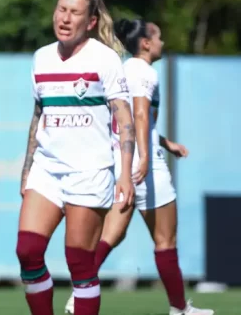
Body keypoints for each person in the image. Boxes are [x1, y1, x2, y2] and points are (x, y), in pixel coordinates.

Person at [63, 19, 212, 315]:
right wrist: (146, 156)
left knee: (111, 235)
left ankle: (80, 292)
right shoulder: (144, 72)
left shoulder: (123, 68)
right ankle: (180, 309)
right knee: (165, 240)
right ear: (145, 43)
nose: (162, 43)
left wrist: (167, 143)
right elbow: (141, 115)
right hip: (145, 166)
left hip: (120, 162)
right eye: (158, 37)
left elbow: (128, 119)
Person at [15, 0, 136, 315]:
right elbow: (38, 114)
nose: (65, 18)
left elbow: (124, 118)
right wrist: (27, 169)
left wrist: (124, 174)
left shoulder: (104, 58)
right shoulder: (41, 57)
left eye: (75, 13)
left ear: (91, 21)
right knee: (27, 251)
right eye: (61, 10)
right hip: (47, 169)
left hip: (90, 171)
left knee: (79, 261)